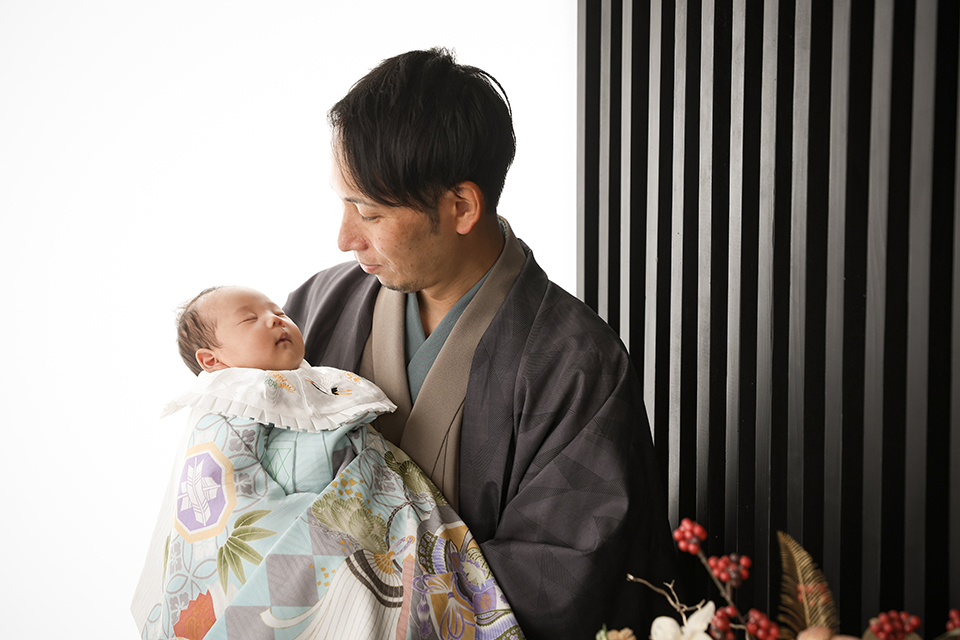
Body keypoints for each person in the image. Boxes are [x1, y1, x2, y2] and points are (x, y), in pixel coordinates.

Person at [284, 48, 677, 639]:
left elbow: (559, 582)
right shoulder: (317, 308)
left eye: (368, 211)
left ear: (462, 206)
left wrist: (354, 606)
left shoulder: (576, 364)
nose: (345, 237)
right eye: (344, 203)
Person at [131, 285, 525, 640]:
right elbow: (227, 493)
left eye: (278, 312)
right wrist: (328, 524)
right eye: (250, 319)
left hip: (374, 512)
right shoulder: (228, 402)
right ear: (212, 360)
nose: (275, 319)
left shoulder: (318, 383)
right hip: (317, 531)